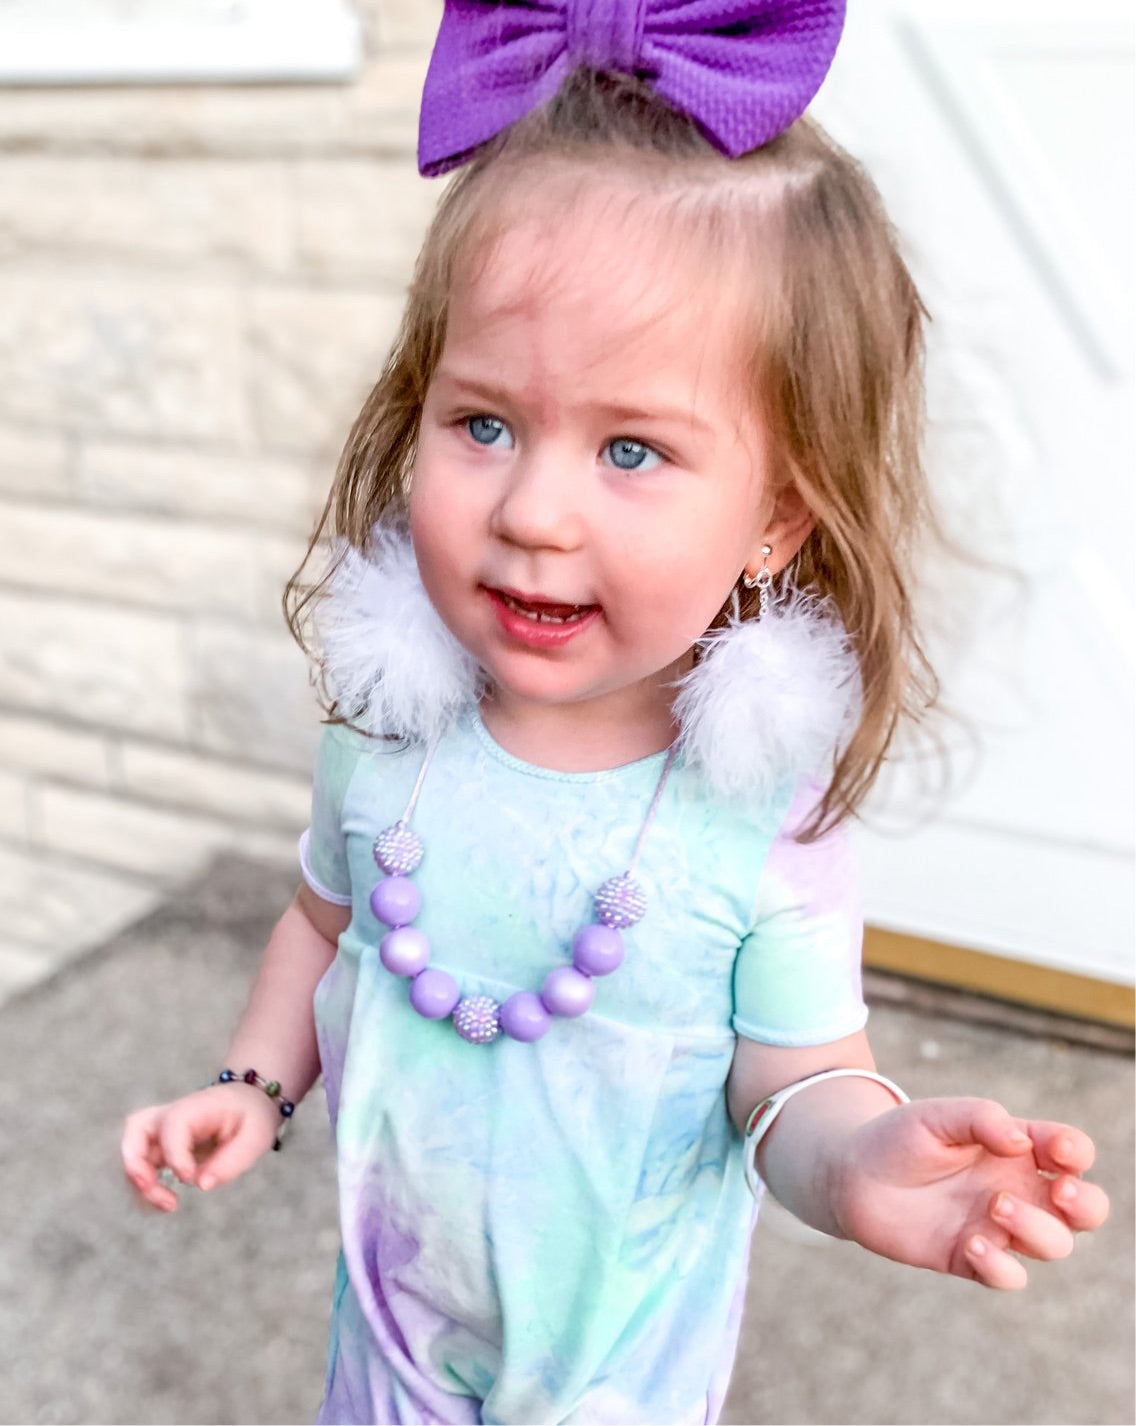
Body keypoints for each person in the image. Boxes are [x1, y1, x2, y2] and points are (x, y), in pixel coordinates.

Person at [120, 4, 1110, 1423]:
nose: (531, 510)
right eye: (484, 424)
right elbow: (319, 923)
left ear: (775, 516)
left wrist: (863, 1162)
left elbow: (794, 1082)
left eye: (632, 447)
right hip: (390, 1350)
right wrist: (253, 1083)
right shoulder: (387, 736)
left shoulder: (759, 826)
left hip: (620, 1390)